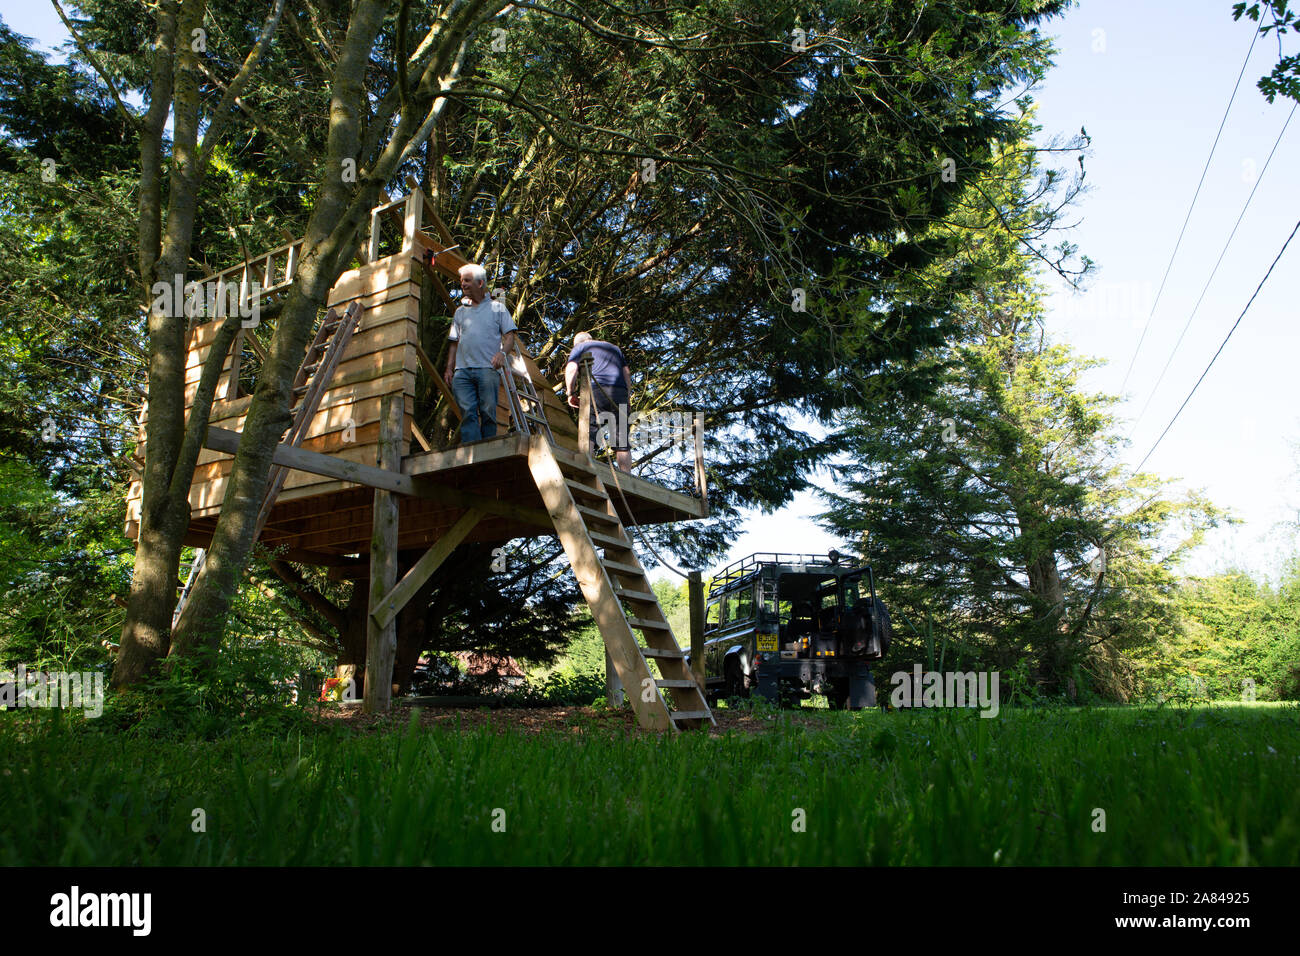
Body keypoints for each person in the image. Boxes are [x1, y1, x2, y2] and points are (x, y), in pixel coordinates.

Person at [444, 264, 517, 444]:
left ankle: (488, 452)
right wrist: (449, 368)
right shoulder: (460, 312)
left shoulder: (497, 308)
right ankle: (472, 454)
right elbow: (454, 343)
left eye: (467, 281)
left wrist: (502, 354)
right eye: (462, 281)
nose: (463, 284)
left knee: (488, 414)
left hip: (487, 369)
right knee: (468, 413)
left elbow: (510, 337)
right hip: (462, 372)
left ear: (480, 283)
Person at [565, 331, 632, 472]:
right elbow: (626, 372)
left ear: (578, 343)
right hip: (620, 392)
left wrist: (570, 392)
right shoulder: (614, 348)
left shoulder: (580, 347)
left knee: (589, 432)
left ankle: (587, 470)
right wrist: (627, 396)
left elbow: (571, 369)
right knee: (622, 441)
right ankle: (626, 476)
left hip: (596, 390)